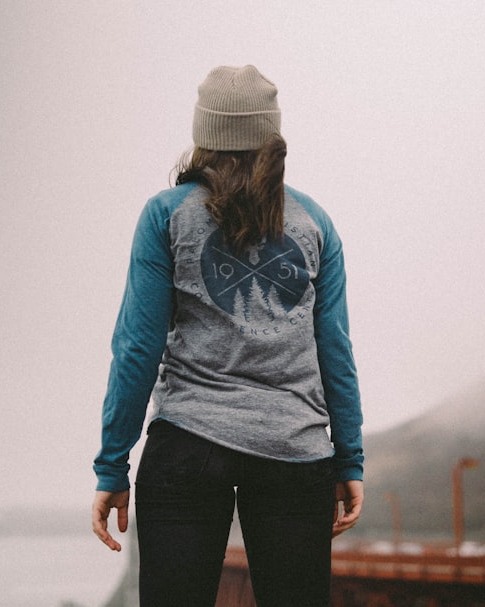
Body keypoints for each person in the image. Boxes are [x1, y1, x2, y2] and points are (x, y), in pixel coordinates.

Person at [90, 65, 364, 607]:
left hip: (187, 444)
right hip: (296, 451)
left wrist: (112, 463)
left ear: (203, 136)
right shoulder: (316, 224)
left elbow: (138, 347)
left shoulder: (165, 215)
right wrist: (348, 458)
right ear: (271, 136)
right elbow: (336, 351)